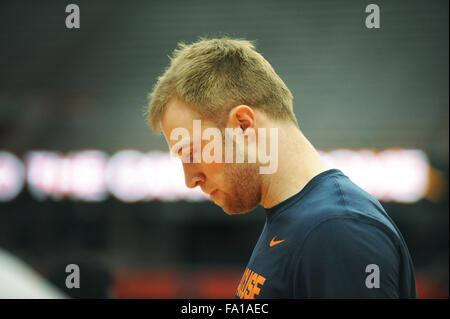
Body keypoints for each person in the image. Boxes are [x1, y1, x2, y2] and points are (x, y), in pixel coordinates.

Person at [145, 37, 417, 298]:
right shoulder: (300, 220)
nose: (190, 179)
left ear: (243, 125)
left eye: (191, 152)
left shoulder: (337, 231)